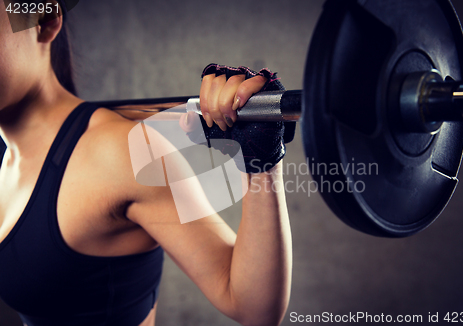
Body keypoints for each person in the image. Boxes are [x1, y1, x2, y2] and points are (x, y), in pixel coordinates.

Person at [0, 1, 292, 326]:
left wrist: (261, 160)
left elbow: (253, 306)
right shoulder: (5, 156)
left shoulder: (119, 151)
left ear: (43, 19)